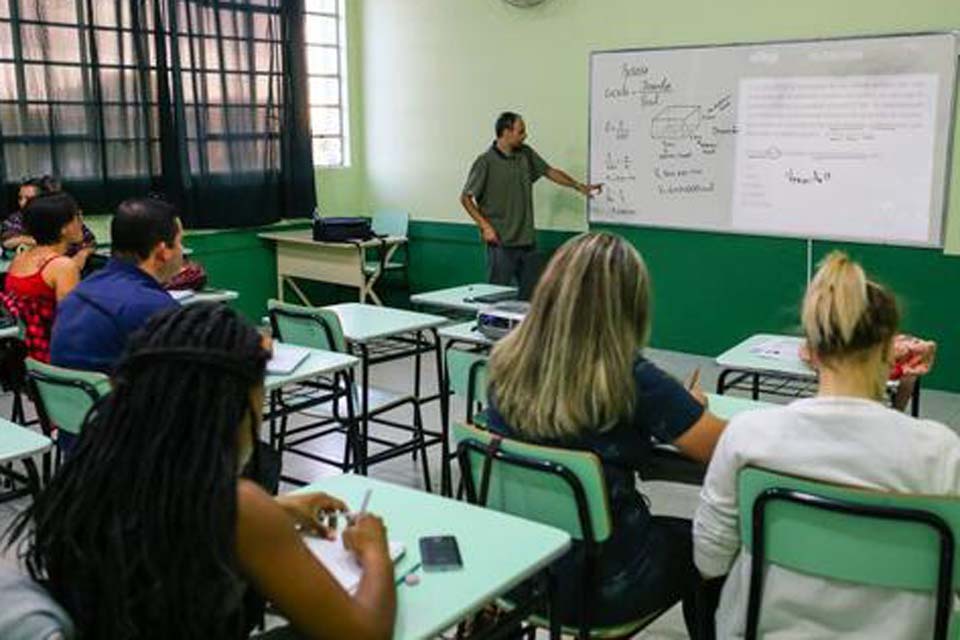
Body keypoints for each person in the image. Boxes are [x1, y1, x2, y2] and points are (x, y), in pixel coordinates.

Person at [6, 303, 397, 639]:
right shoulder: (239, 507)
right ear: (237, 401)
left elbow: (165, 522)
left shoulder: (96, 467)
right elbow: (364, 633)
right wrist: (374, 548)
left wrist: (279, 510)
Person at [693, 252, 960, 639]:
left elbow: (709, 560)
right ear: (891, 353)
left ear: (808, 352)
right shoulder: (942, 453)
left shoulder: (749, 436)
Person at [485, 232, 727, 635]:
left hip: (520, 572)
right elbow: (722, 446)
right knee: (710, 547)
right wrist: (693, 410)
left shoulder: (503, 364)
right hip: (601, 587)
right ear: (629, 304)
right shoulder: (632, 379)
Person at [460, 112, 602, 298]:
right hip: (501, 243)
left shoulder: (525, 154)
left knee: (532, 296)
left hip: (528, 242)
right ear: (506, 132)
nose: (525, 135)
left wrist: (579, 186)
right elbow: (466, 198)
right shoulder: (485, 162)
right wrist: (485, 226)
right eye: (521, 131)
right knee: (497, 298)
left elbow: (549, 172)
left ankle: (527, 328)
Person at [50, 197, 184, 373]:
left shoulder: (79, 293)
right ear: (163, 251)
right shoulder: (156, 309)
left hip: (71, 399)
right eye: (180, 241)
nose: (182, 249)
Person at [1, 193, 83, 362]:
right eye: (77, 217)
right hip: (53, 356)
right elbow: (71, 325)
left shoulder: (19, 258)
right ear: (63, 229)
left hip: (28, 356)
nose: (81, 222)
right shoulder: (62, 266)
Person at [2, 175, 96, 267]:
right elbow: (8, 241)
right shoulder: (17, 219)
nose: (22, 203)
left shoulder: (64, 217)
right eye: (20, 198)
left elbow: (89, 241)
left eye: (29, 199)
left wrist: (82, 254)